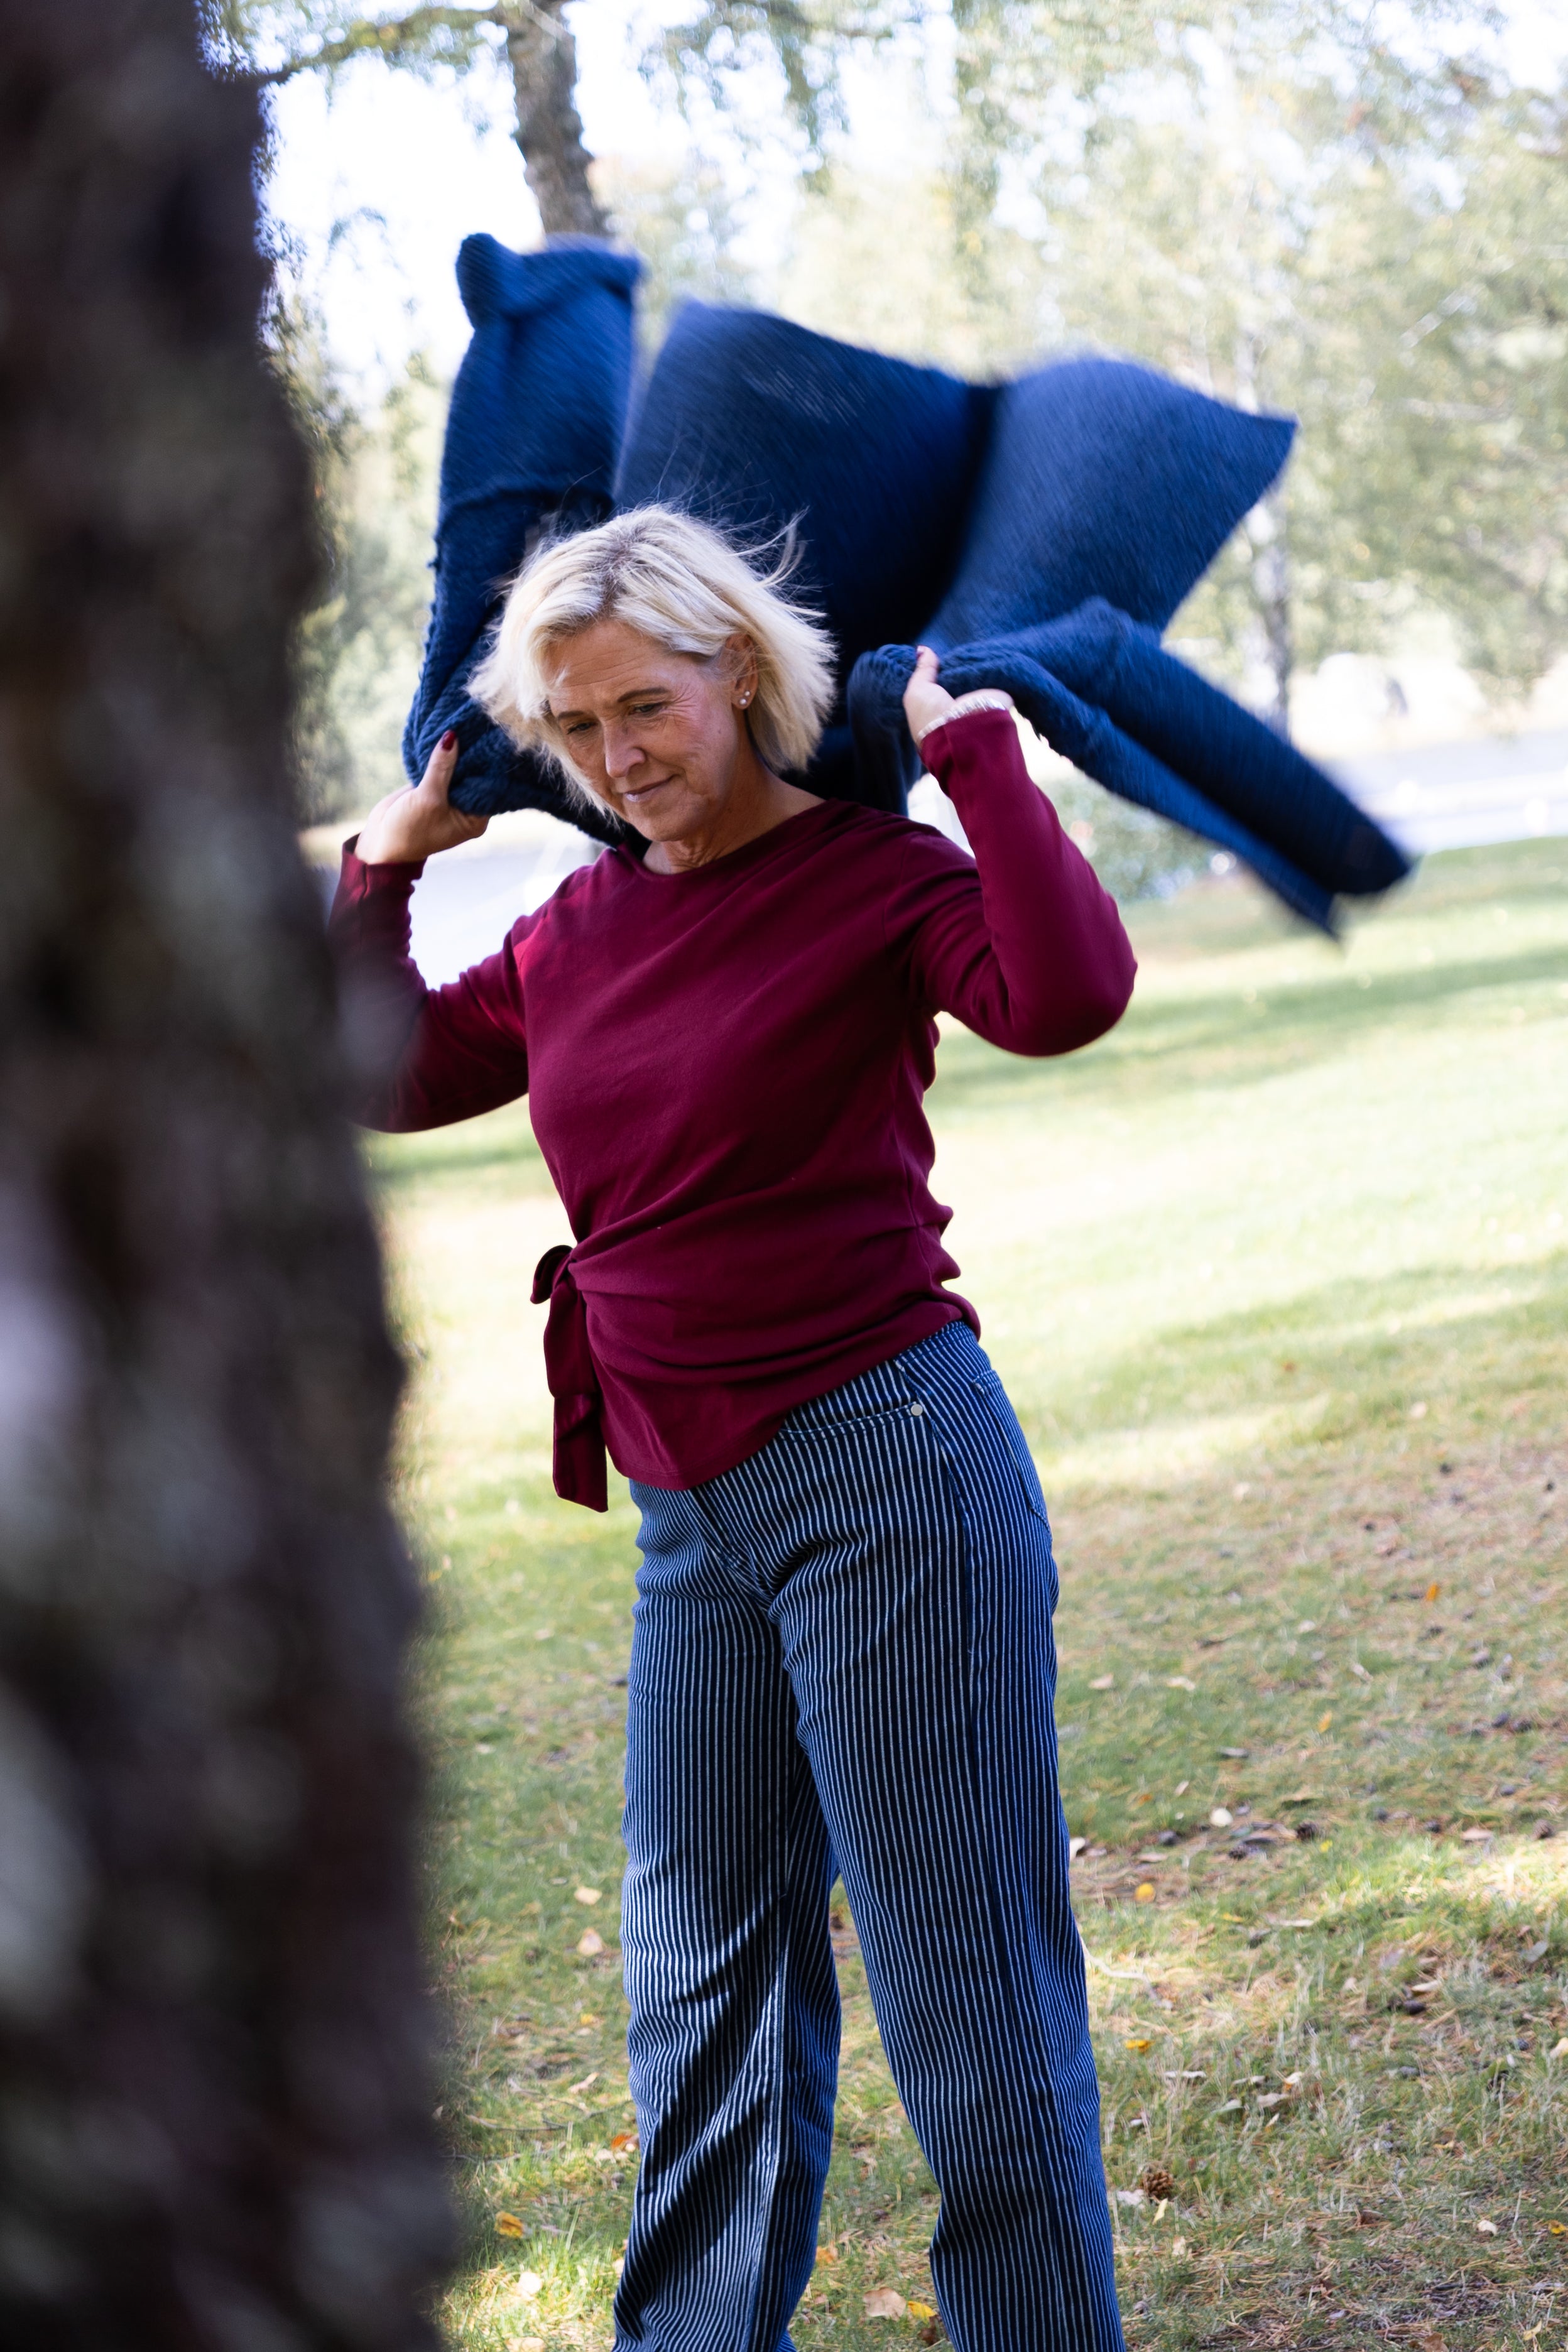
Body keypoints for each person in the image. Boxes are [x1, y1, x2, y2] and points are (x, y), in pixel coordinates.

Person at [329, 506, 1137, 2352]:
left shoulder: (868, 878)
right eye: (582, 728)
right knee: (703, 1988)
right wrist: (386, 861)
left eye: (650, 706)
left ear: (743, 676)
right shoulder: (575, 926)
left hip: (886, 1473)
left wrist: (974, 759)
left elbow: (1067, 992)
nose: (622, 756)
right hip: (690, 1507)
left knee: (965, 1990)